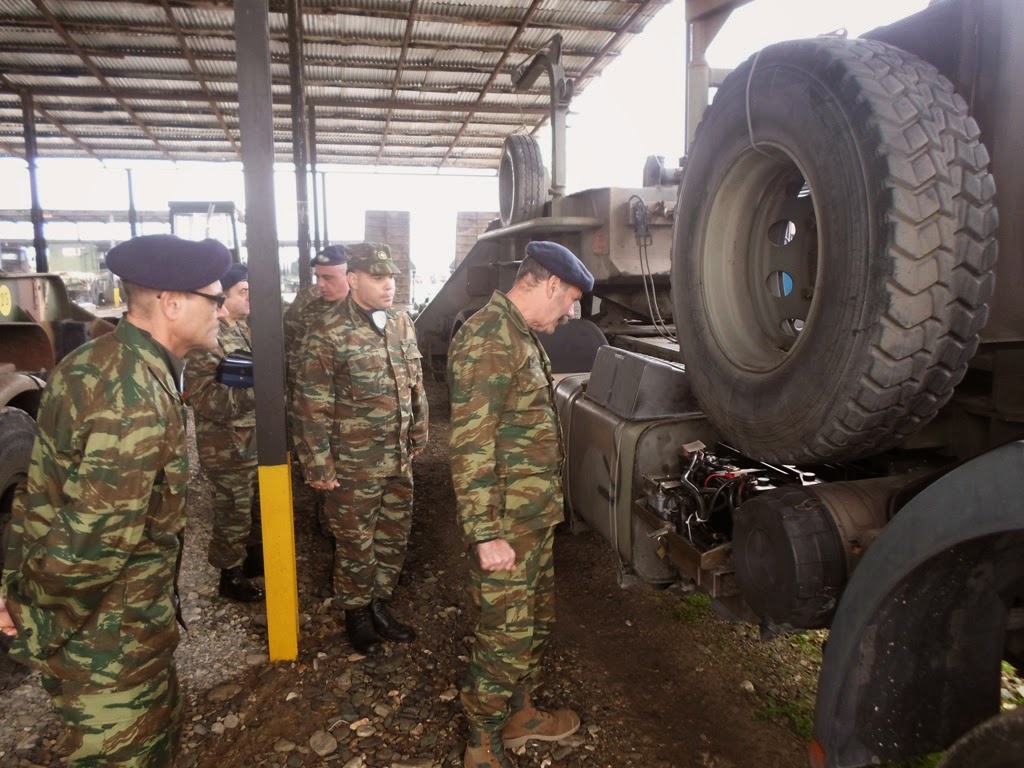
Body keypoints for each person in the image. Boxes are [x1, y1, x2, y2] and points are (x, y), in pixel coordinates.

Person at [0, 234, 231, 767]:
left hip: (120, 631)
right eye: (214, 300)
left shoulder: (111, 361)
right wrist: (31, 612)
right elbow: (93, 541)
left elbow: (43, 496)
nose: (223, 312)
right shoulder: (131, 392)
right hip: (107, 646)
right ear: (172, 303)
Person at [448, 240, 593, 768]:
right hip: (505, 524)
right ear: (550, 285)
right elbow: (471, 443)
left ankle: (520, 714)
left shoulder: (518, 334)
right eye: (571, 300)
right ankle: (481, 742)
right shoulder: (489, 338)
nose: (571, 312)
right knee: (504, 635)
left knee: (534, 623)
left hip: (529, 519)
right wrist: (486, 534)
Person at [292, 242, 428, 656]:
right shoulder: (327, 331)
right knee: (355, 542)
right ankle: (357, 613)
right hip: (352, 464)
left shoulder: (402, 322)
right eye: (379, 277)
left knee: (393, 535)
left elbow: (415, 382)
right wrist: (318, 465)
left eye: (392, 277)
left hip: (397, 458)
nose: (389, 285)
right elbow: (310, 405)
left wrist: (419, 432)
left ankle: (378, 603)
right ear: (353, 280)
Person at [183, 263, 264, 604]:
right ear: (223, 298)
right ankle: (229, 574)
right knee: (233, 508)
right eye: (242, 292)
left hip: (253, 440)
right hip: (226, 445)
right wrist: (258, 392)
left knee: (254, 505)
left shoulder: (245, 329)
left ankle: (252, 560)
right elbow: (201, 397)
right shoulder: (208, 339)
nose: (250, 298)